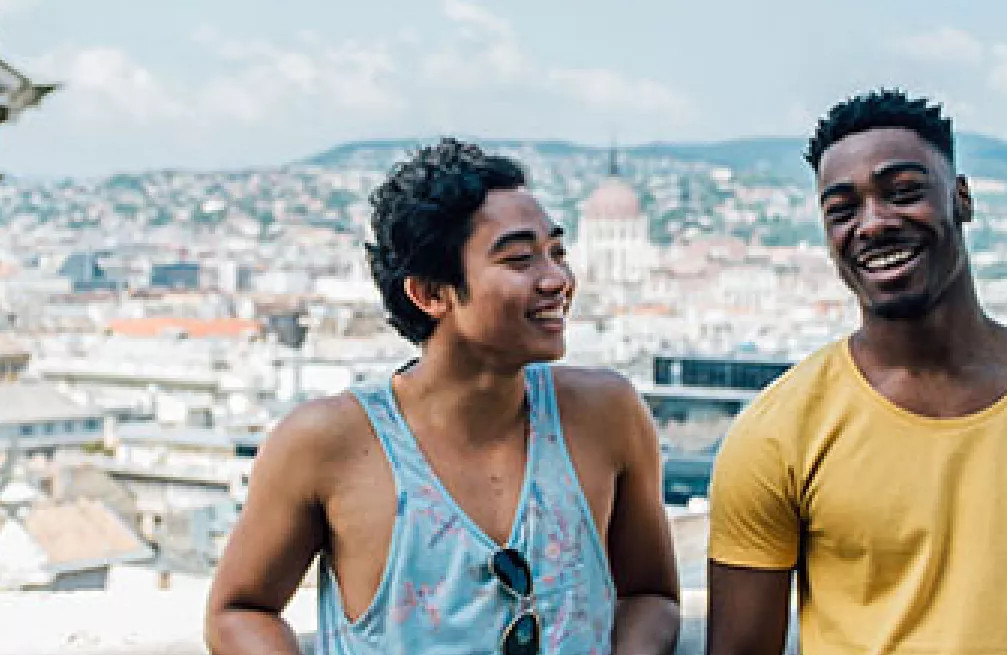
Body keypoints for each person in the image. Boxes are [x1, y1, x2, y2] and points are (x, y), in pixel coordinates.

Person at [706, 90, 1007, 655]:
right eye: (842, 210)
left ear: (963, 198)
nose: (873, 224)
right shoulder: (774, 434)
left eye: (903, 193)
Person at [206, 138, 680, 655]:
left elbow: (651, 594)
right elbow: (240, 610)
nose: (557, 280)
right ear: (431, 294)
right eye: (521, 259)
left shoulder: (606, 413)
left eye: (558, 252)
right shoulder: (329, 442)